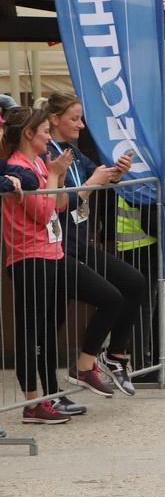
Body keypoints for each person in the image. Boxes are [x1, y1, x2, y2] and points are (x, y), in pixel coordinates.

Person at [2, 107, 127, 423]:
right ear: (28, 134)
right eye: (45, 131)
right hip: (29, 258)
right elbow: (43, 213)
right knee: (33, 332)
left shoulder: (39, 162)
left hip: (53, 253)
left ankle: (71, 377)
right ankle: (34, 403)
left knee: (108, 298)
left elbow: (58, 205)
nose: (49, 137)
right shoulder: (18, 166)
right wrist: (55, 175)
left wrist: (55, 173)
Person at [45, 91, 144, 396]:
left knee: (134, 282)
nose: (81, 125)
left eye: (81, 119)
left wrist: (117, 172)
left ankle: (112, 356)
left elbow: (100, 175)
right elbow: (57, 203)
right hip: (57, 247)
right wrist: (92, 184)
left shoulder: (73, 153)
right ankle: (52, 390)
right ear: (54, 120)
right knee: (54, 319)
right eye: (74, 119)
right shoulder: (48, 155)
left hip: (79, 243)